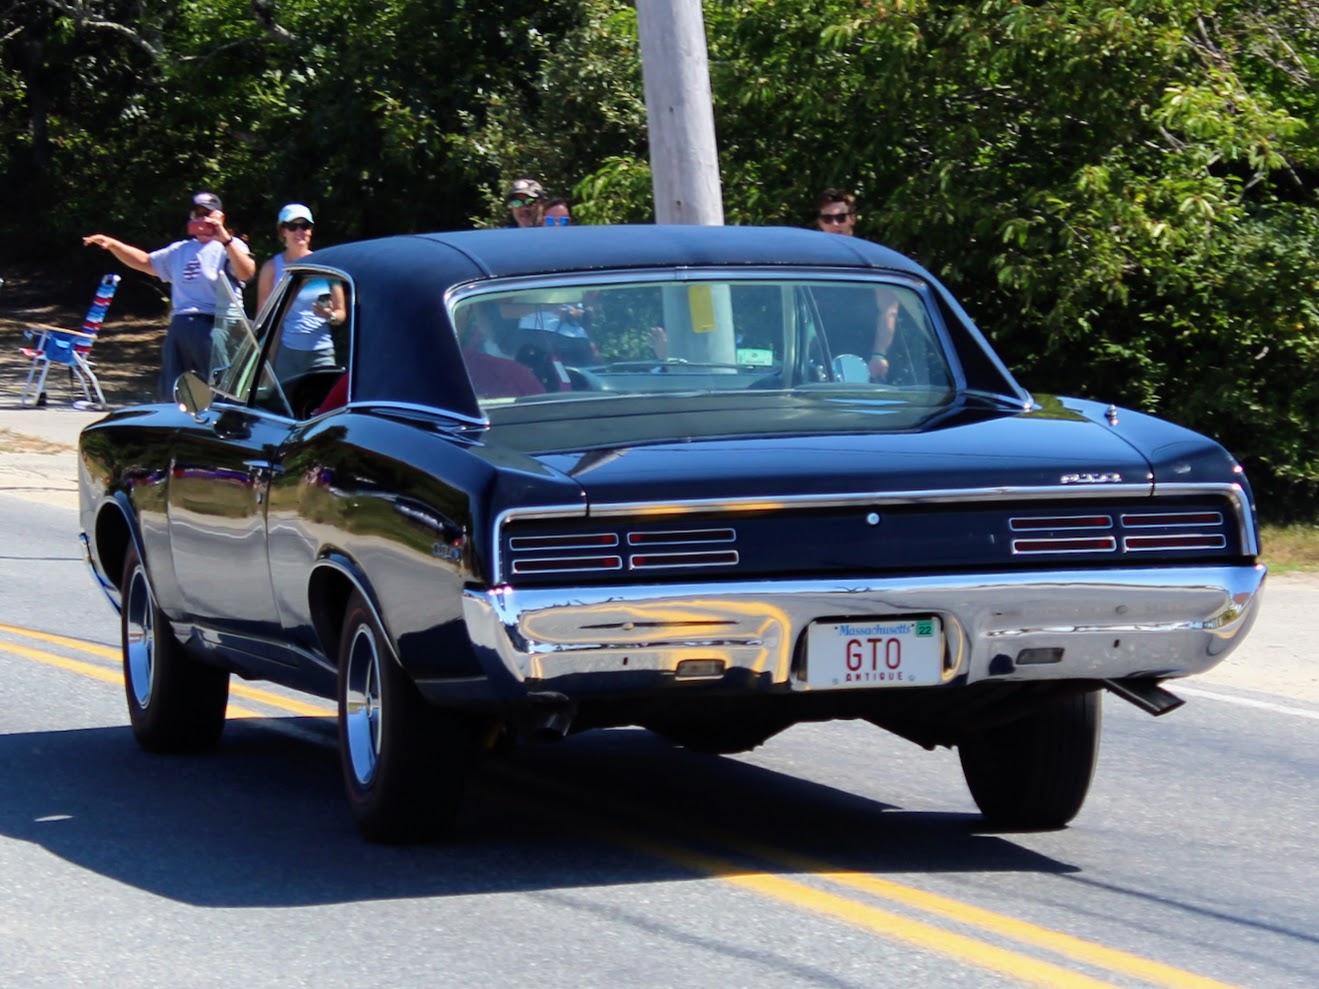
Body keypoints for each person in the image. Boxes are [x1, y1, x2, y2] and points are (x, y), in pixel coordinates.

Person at [84, 191, 256, 398]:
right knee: (174, 389)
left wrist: (224, 238)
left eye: (208, 213)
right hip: (181, 323)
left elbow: (246, 272)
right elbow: (146, 262)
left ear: (220, 216)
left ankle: (219, 422)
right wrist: (114, 245)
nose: (202, 218)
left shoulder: (231, 246)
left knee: (220, 389)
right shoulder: (180, 250)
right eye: (198, 213)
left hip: (217, 323)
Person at [813, 187, 897, 382]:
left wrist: (879, 355)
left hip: (868, 360)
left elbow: (889, 310)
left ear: (852, 219)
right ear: (820, 222)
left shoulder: (870, 261)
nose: (835, 224)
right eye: (828, 219)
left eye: (841, 217)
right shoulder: (812, 263)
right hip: (822, 358)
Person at [256, 203, 345, 379]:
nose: (299, 231)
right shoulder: (271, 268)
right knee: (282, 405)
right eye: (292, 226)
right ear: (283, 231)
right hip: (286, 354)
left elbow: (341, 313)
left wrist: (330, 315)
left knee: (322, 406)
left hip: (321, 352)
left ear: (310, 230)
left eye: (305, 226)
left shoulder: (326, 265)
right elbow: (263, 318)